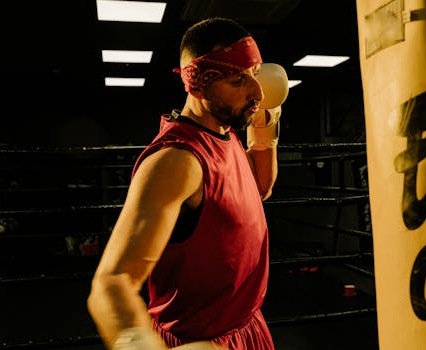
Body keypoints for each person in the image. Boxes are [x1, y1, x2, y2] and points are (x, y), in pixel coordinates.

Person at [87, 17, 287, 350]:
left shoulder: (225, 132)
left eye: (254, 75)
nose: (258, 92)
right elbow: (113, 282)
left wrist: (265, 127)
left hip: (247, 327)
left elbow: (260, 188)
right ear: (198, 86)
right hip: (199, 341)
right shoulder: (176, 162)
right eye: (238, 81)